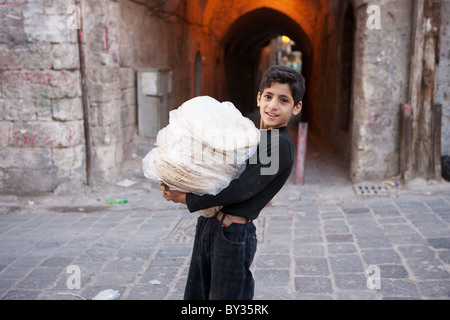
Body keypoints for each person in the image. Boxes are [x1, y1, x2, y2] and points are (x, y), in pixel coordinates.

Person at [161, 65, 305, 300]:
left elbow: (241, 189)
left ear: (296, 107)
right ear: (259, 98)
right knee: (198, 296)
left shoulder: (279, 146)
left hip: (233, 234)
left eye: (284, 100)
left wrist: (185, 197)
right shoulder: (256, 136)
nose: (273, 105)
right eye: (268, 96)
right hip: (211, 226)